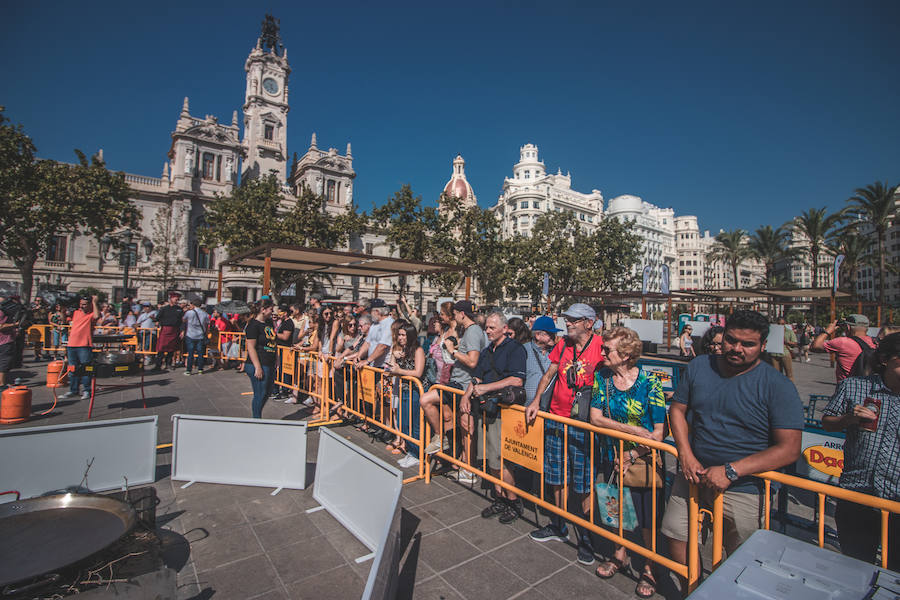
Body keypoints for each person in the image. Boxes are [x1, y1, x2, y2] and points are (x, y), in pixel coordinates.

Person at [660, 310, 804, 595]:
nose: (737, 348)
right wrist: (685, 455)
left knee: (741, 552)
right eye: (731, 340)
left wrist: (732, 470)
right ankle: (696, 589)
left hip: (745, 486)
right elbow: (677, 410)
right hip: (692, 473)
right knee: (675, 533)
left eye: (747, 344)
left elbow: (789, 449)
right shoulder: (700, 366)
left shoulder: (778, 386)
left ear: (763, 346)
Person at [590, 327, 667, 598]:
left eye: (606, 350)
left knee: (648, 519)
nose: (601, 354)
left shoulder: (650, 383)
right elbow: (595, 417)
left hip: (643, 459)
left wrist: (632, 453)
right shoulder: (603, 377)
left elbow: (659, 432)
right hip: (612, 457)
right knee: (615, 508)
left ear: (624, 355)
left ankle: (649, 565)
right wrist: (632, 431)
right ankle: (619, 553)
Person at [526, 303, 605, 564]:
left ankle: (585, 536)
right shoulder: (563, 345)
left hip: (583, 425)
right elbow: (549, 374)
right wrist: (537, 400)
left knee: (583, 482)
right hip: (557, 419)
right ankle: (558, 524)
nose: (567, 323)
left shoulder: (600, 347)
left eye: (573, 319)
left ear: (588, 323)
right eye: (567, 318)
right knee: (556, 474)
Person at [821, 332, 900, 571]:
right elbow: (827, 422)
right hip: (857, 495)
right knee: (856, 568)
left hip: (897, 500)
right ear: (885, 359)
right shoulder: (853, 387)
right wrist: (848, 419)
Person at [460, 311, 526, 523]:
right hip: (485, 409)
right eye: (486, 327)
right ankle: (500, 497)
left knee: (501, 460)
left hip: (503, 411)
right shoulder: (488, 350)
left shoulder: (515, 349)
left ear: (504, 329)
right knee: (490, 458)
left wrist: (486, 388)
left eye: (491, 328)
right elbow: (477, 377)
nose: (487, 331)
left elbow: (517, 381)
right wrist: (465, 396)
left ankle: (513, 501)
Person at [422, 300, 486, 484]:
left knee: (467, 427)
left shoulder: (473, 331)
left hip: (463, 385)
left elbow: (473, 361)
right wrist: (457, 349)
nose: (454, 317)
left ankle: (468, 468)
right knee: (464, 425)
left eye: (455, 314)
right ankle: (455, 454)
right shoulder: (469, 331)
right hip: (458, 382)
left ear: (462, 314)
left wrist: (452, 351)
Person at [390, 322, 426, 469]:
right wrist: (394, 356)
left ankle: (417, 454)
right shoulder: (403, 350)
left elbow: (418, 372)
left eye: (403, 335)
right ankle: (410, 451)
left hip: (415, 390)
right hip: (403, 389)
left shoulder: (418, 350)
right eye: (399, 334)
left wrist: (399, 371)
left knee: (414, 424)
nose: (400, 337)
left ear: (410, 336)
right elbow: (392, 368)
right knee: (403, 423)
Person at [811, 314, 877, 383]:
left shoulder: (842, 342)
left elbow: (815, 346)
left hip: (847, 388)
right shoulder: (875, 343)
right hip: (867, 388)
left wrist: (827, 331)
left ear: (848, 327)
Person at [61, 295, 101, 400]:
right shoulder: (76, 313)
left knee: (86, 368)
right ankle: (73, 390)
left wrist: (94, 302)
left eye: (84, 304)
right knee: (73, 368)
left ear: (89, 305)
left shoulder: (91, 314)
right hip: (72, 344)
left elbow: (97, 316)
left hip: (84, 345)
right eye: (81, 304)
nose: (82, 306)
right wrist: (61, 311)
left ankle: (86, 390)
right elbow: (64, 320)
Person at [245, 299, 276, 418]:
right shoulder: (253, 325)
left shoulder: (269, 323)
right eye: (270, 310)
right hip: (258, 363)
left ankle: (257, 415)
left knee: (268, 391)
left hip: (270, 361)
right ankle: (256, 419)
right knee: (260, 392)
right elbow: (251, 347)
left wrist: (276, 357)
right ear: (263, 310)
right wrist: (257, 367)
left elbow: (273, 341)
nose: (272, 312)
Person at [155, 292, 184, 371]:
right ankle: (158, 365)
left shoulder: (179, 309)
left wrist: (182, 331)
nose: (176, 300)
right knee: (161, 349)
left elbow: (182, 322)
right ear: (171, 299)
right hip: (165, 329)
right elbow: (157, 318)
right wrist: (158, 322)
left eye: (178, 299)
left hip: (175, 330)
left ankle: (168, 364)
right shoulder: (164, 309)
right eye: (175, 299)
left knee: (171, 349)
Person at [0, 299, 19, 391]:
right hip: (4, 341)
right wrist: (15, 324)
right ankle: (1, 385)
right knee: (4, 363)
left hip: (6, 341)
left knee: (5, 363)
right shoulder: (1, 312)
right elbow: (1, 326)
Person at [30, 296, 50, 360]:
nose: (39, 302)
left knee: (47, 339)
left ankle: (47, 353)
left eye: (40, 301)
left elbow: (48, 312)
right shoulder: (32, 307)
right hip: (36, 324)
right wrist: (35, 309)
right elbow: (29, 314)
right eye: (37, 301)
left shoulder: (44, 307)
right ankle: (37, 354)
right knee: (37, 340)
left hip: (44, 323)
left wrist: (44, 305)